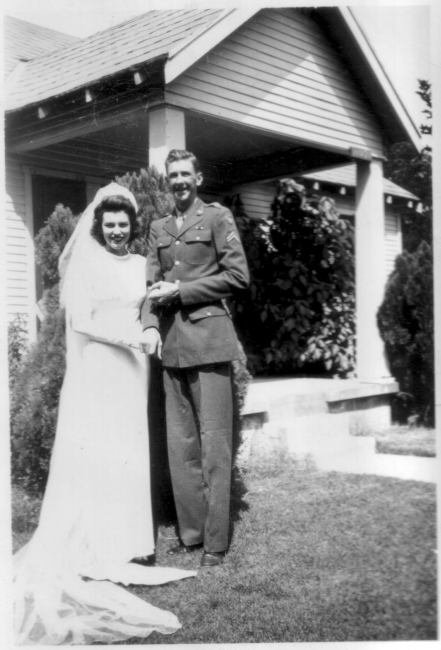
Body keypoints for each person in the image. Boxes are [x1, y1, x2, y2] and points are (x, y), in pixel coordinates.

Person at [13, 183, 196, 646]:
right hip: (100, 367)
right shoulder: (88, 264)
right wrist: (131, 340)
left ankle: (126, 548)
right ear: (100, 225)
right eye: (110, 224)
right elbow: (80, 322)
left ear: (133, 227)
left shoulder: (139, 265)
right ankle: (94, 547)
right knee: (99, 454)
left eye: (124, 224)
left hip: (134, 373)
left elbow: (150, 306)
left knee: (127, 455)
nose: (117, 231)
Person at [140, 150, 250, 568]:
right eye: (173, 176)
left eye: (186, 174)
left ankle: (216, 545)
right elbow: (151, 285)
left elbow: (238, 278)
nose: (179, 181)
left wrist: (182, 293)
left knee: (215, 446)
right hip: (173, 347)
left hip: (209, 341)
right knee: (180, 446)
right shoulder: (158, 227)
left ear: (198, 177)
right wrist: (150, 324)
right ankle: (192, 534)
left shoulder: (218, 218)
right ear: (168, 181)